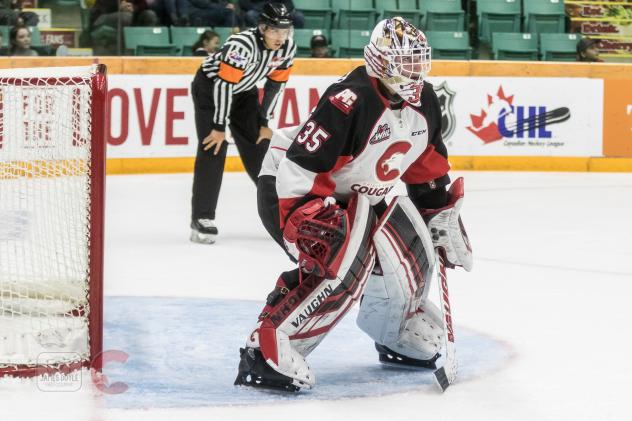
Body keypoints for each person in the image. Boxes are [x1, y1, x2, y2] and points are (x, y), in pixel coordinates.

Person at [234, 17, 473, 392]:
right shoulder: (349, 100)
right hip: (292, 184)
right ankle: (267, 348)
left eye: (418, 61)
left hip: (358, 193)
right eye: (405, 62)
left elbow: (426, 169)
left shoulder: (425, 101)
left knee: (410, 248)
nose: (415, 71)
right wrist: (305, 220)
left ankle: (395, 335)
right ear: (381, 63)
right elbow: (301, 167)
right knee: (342, 258)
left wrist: (438, 213)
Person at [189, 2, 297, 244]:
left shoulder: (288, 48)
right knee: (213, 146)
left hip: (244, 91)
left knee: (260, 149)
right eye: (274, 30)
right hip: (210, 88)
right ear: (262, 28)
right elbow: (223, 85)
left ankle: (282, 213)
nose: (280, 37)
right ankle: (202, 218)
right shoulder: (242, 44)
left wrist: (264, 121)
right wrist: (218, 128)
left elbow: (275, 85)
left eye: (285, 30)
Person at [239, 0, 304, 28]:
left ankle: (290, 40)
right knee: (250, 15)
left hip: (279, 11)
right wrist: (258, 9)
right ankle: (259, 37)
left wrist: (282, 12)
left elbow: (289, 4)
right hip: (260, 11)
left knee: (299, 17)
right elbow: (243, 3)